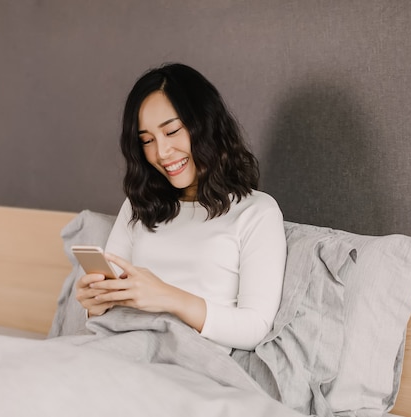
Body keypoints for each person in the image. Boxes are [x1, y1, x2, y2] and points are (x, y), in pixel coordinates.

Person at [75, 63, 287, 351]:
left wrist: (168, 297)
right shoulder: (139, 206)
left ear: (206, 124)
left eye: (172, 131)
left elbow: (255, 328)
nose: (161, 153)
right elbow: (108, 302)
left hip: (187, 366)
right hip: (120, 348)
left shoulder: (257, 212)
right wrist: (93, 304)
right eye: (147, 140)